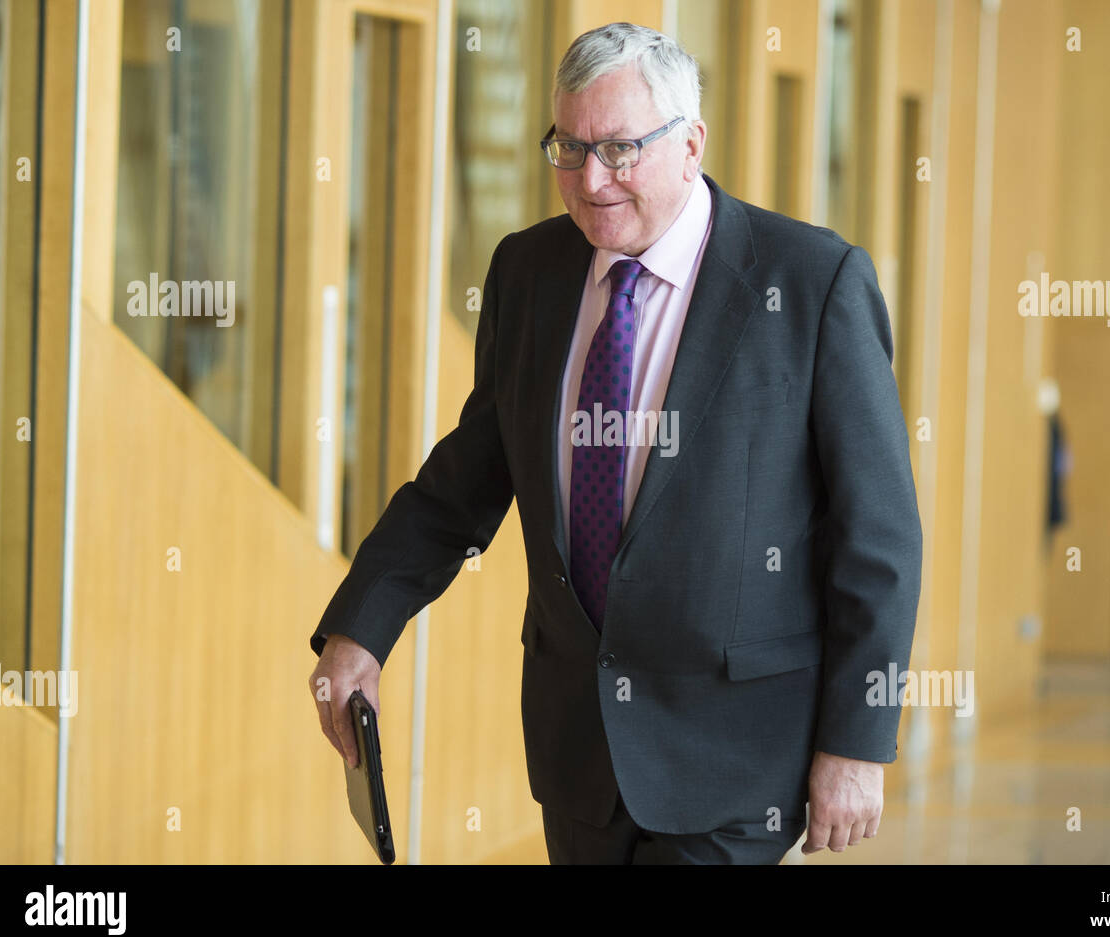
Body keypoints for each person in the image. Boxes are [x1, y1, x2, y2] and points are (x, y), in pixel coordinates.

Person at [309, 21, 922, 865]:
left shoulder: (810, 284)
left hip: (736, 758)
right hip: (579, 756)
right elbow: (464, 482)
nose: (592, 179)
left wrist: (856, 740)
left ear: (691, 144)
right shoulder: (529, 273)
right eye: (569, 147)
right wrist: (361, 628)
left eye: (621, 148)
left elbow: (878, 536)